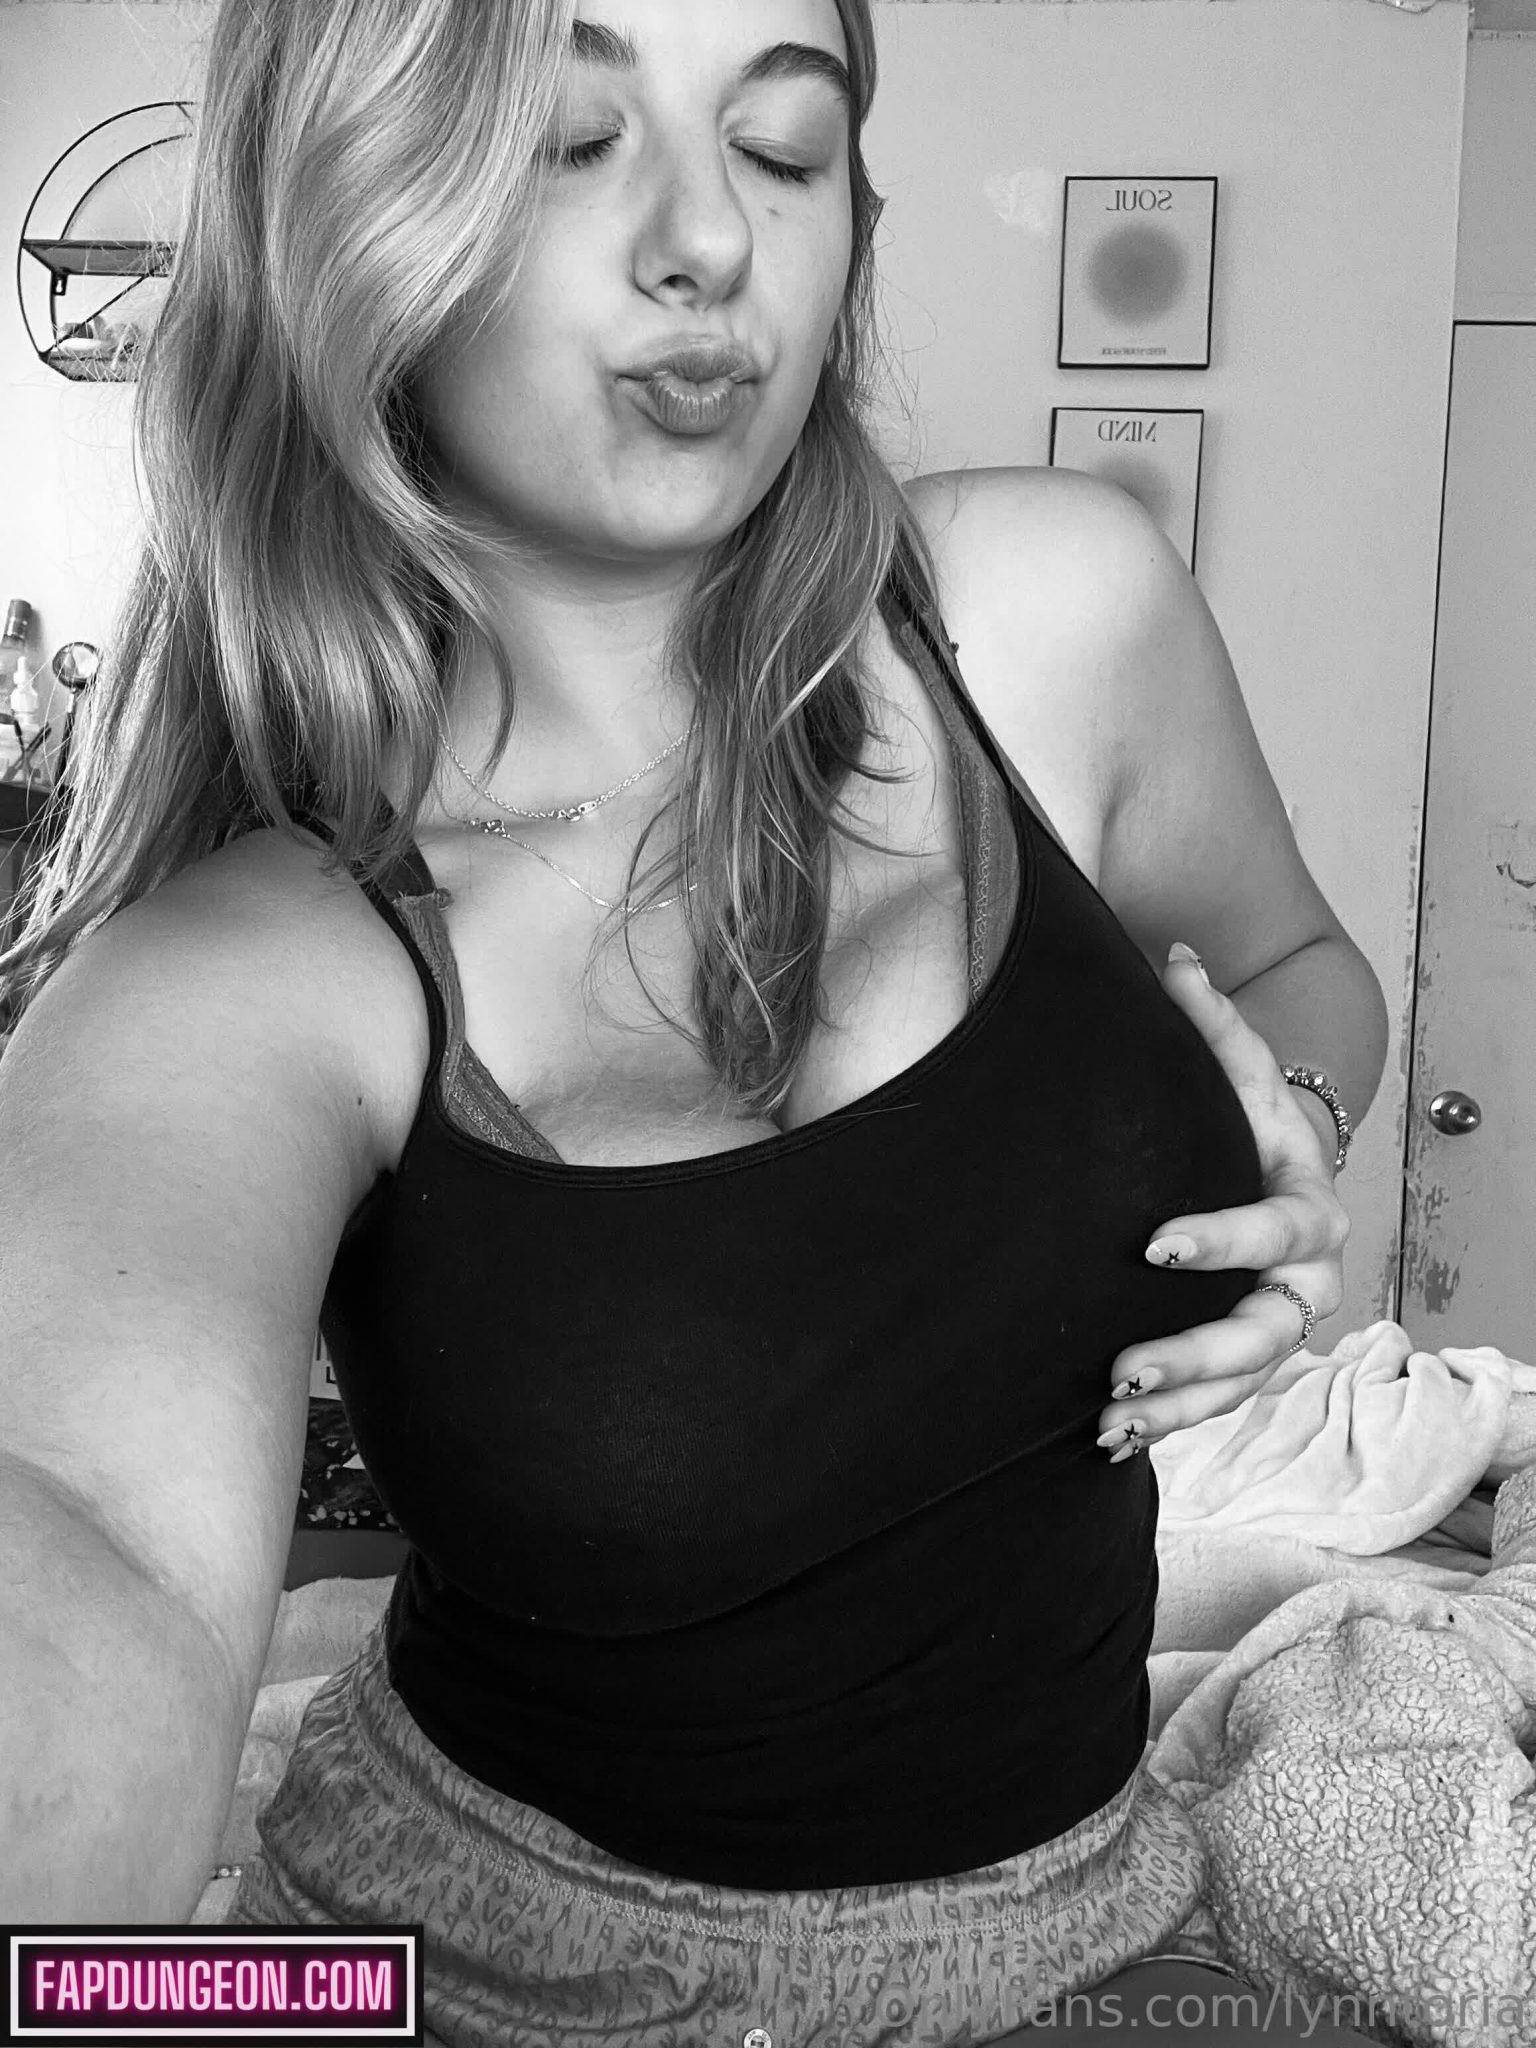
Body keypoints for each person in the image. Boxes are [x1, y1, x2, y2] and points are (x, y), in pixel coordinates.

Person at [0, 0, 1390, 2039]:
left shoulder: (1053, 615)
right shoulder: (258, 968)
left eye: (784, 146)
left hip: (1094, 1910)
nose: (712, 240)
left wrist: (1295, 1141)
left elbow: (1297, 968)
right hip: (481, 1961)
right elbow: (85, 1536)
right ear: (352, 225)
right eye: (573, 142)